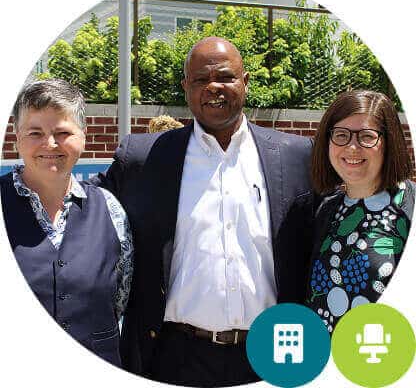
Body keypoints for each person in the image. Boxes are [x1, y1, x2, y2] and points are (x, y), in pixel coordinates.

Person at [93, 37, 314, 386]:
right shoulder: (142, 158)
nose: (213, 87)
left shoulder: (296, 155)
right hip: (175, 357)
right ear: (185, 88)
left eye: (225, 77)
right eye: (200, 79)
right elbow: (85, 214)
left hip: (275, 351)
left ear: (245, 82)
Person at [0, 79, 133, 367]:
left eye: (62, 132)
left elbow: (119, 297)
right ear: (16, 137)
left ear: (83, 136)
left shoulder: (110, 210)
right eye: (35, 132)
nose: (50, 144)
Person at [306, 90, 414, 332]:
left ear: (389, 142)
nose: (352, 147)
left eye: (366, 136)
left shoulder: (409, 206)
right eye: (341, 135)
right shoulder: (327, 210)